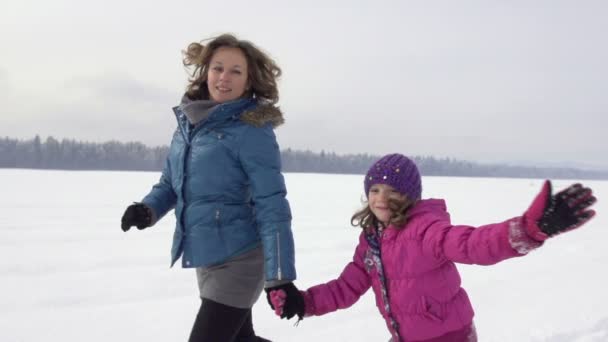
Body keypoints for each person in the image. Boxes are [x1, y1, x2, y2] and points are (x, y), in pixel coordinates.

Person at [268, 153, 597, 342]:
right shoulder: (371, 240)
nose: (381, 198)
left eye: (391, 190)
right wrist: (304, 302)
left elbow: (471, 245)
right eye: (375, 189)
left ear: (409, 195)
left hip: (448, 337)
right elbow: (348, 286)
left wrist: (526, 230)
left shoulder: (425, 229)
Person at [120, 33, 298, 342]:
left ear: (249, 81)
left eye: (235, 71)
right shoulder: (189, 125)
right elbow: (171, 184)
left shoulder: (252, 131)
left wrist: (280, 277)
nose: (224, 78)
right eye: (218, 68)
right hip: (206, 254)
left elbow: (273, 205)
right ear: (206, 72)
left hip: (241, 258)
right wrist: (147, 209)